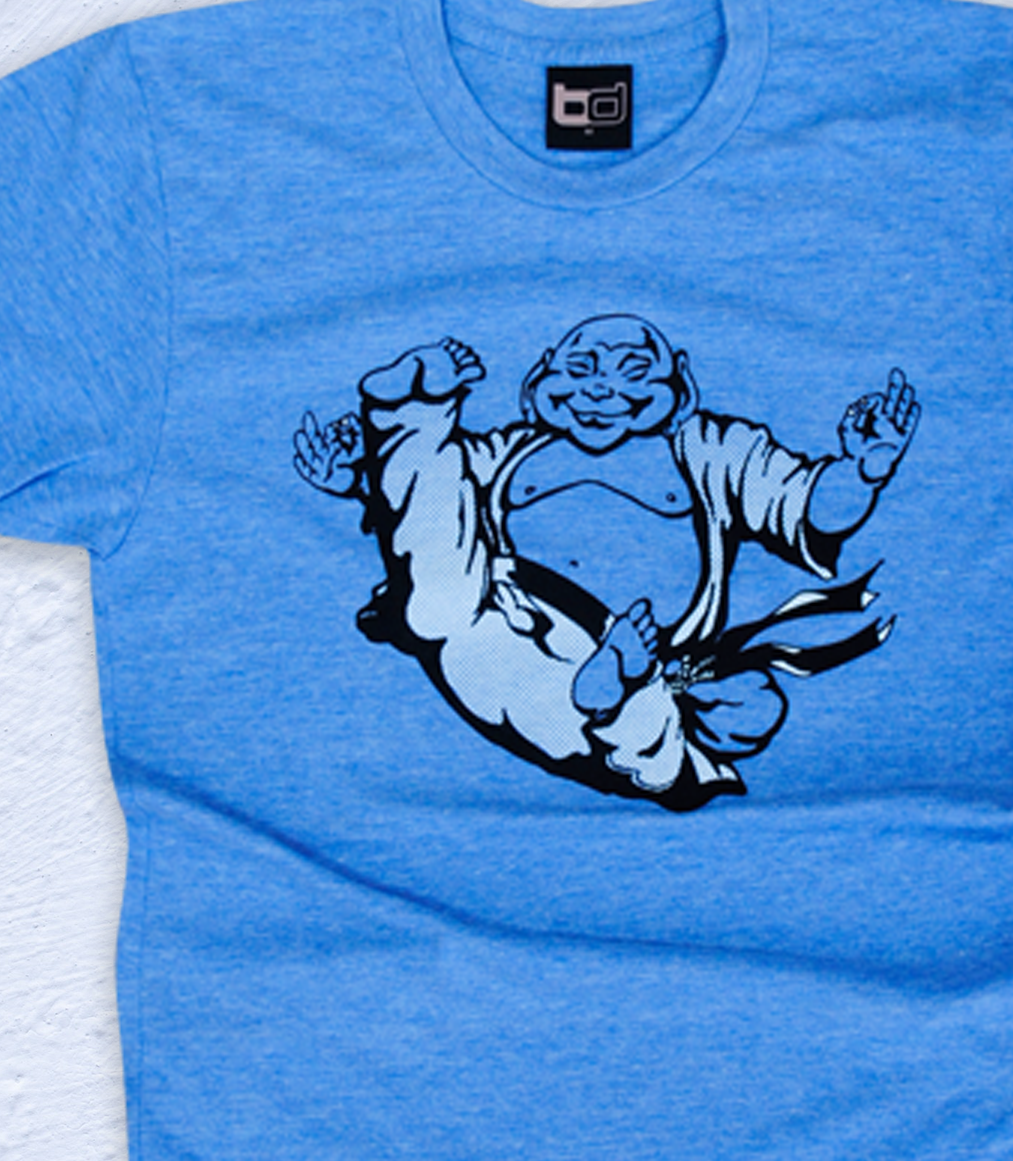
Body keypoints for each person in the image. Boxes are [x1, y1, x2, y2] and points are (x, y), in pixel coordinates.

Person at [295, 314, 918, 808]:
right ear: (542, 375)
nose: (600, 389)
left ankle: (618, 690)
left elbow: (804, 503)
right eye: (581, 369)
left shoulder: (712, 451)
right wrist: (355, 476)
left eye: (633, 372)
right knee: (437, 585)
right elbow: (429, 502)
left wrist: (863, 469)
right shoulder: (514, 451)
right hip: (497, 621)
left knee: (666, 740)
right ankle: (409, 408)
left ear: (679, 379)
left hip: (625, 665)